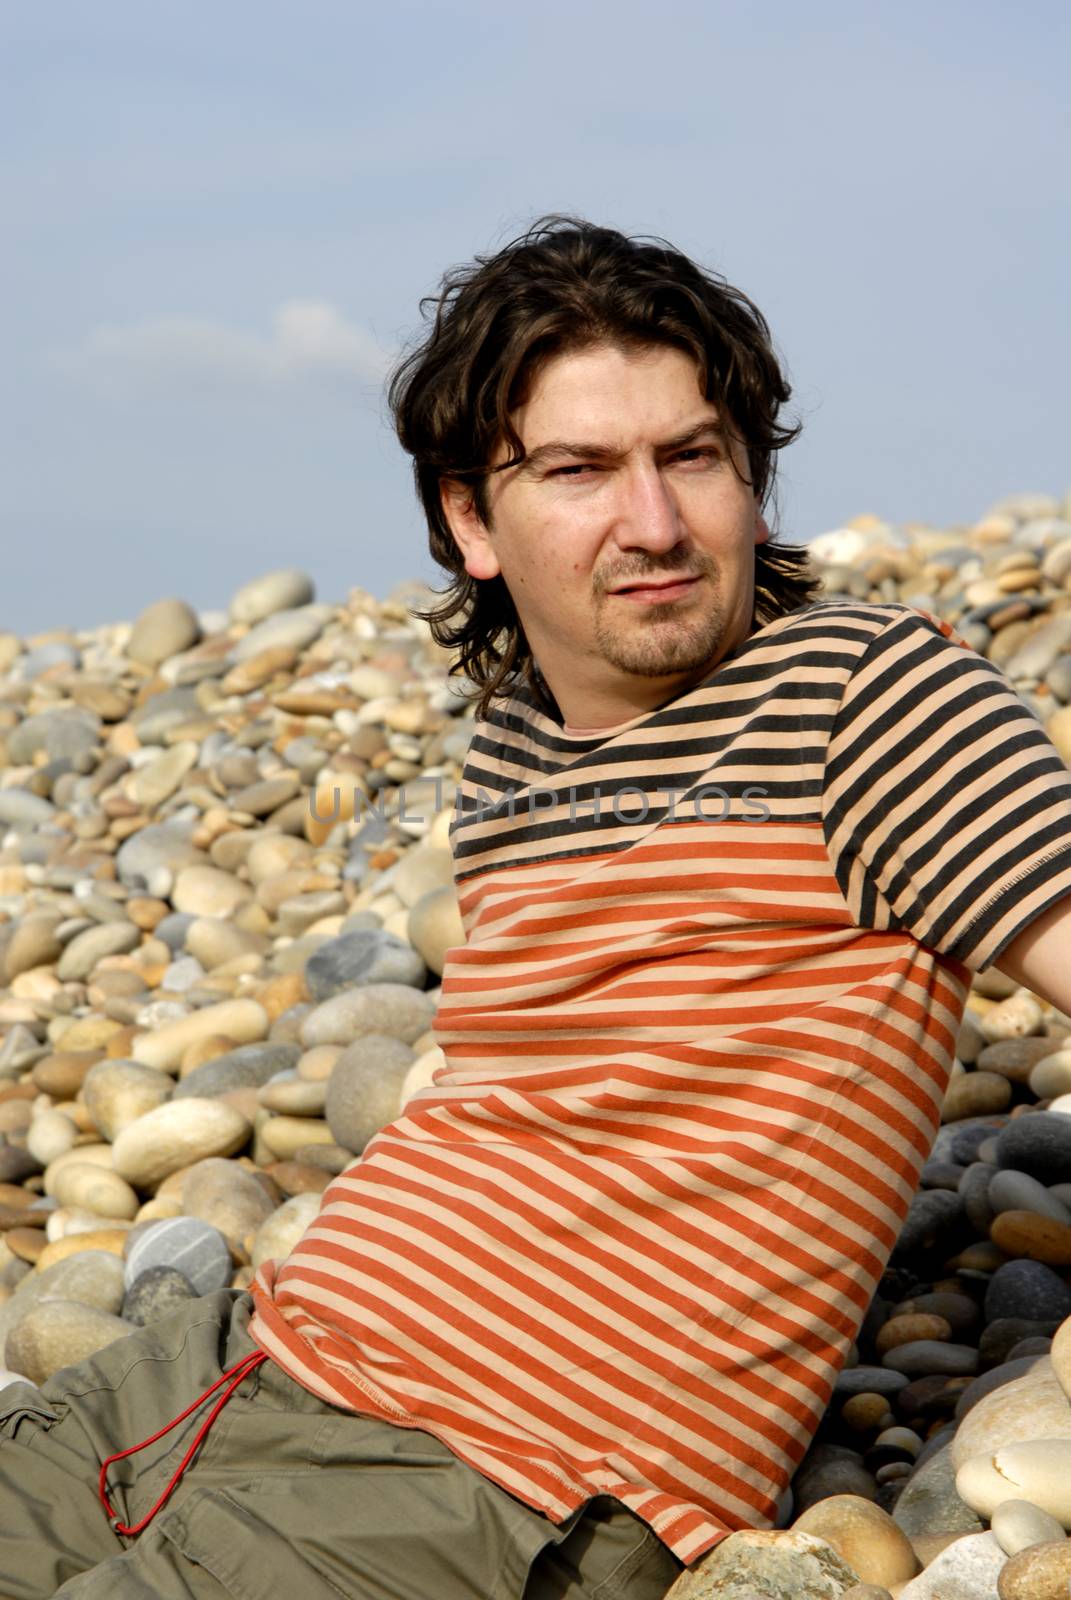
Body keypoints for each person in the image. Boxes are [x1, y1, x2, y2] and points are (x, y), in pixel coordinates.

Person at [3, 214, 1071, 1600]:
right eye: (581, 471)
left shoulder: (867, 700)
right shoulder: (514, 748)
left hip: (483, 1482)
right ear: (469, 520)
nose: (655, 523)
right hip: (225, 1363)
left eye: (692, 456)